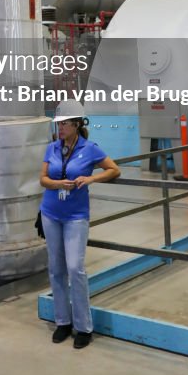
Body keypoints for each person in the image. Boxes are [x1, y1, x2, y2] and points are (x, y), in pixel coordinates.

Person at [39, 101, 120, 348]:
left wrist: (91, 178)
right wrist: (57, 184)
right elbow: (43, 179)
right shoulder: (52, 148)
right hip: (51, 213)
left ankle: (83, 326)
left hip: (76, 217)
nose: (60, 128)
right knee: (56, 269)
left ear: (77, 125)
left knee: (75, 268)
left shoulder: (90, 149)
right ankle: (62, 322)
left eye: (64, 124)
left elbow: (114, 169)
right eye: (58, 123)